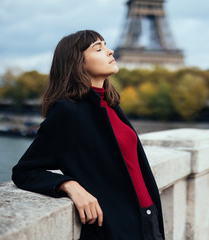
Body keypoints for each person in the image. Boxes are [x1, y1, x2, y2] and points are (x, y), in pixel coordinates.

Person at [11, 30, 165, 240]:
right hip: (116, 227)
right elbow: (24, 170)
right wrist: (69, 185)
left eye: (106, 46)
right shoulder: (68, 112)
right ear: (78, 63)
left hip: (148, 218)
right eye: (99, 48)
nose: (110, 51)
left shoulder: (110, 105)